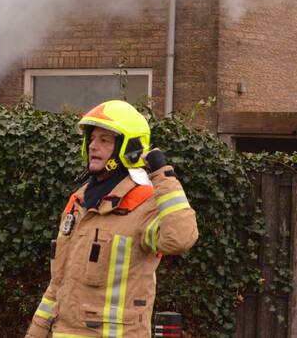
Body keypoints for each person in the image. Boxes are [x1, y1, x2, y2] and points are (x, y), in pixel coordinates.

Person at [25, 100, 199, 338]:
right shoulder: (78, 203)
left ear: (128, 148)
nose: (93, 146)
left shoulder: (143, 205)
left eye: (104, 140)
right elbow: (58, 283)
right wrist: (36, 332)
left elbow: (180, 239)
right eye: (92, 139)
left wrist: (163, 174)